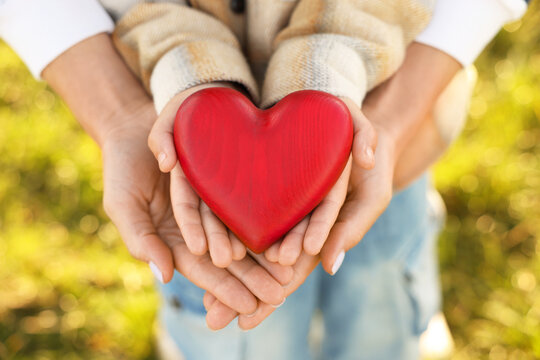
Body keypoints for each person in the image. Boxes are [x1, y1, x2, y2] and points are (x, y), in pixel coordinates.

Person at [0, 0, 529, 359]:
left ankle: (399, 336)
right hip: (187, 161)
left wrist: (380, 110)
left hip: (386, 117)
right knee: (237, 333)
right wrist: (130, 107)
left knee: (382, 283)